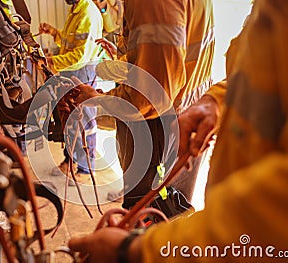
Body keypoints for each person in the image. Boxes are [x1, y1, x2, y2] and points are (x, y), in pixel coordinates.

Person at [68, 0, 288, 262]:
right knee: (169, 209)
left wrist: (134, 251)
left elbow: (150, 95)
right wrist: (216, 99)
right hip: (185, 123)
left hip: (158, 132)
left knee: (150, 214)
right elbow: (262, 69)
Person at [74, 0, 214, 208]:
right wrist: (128, 57)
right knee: (172, 213)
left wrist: (96, 98)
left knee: (150, 218)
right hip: (184, 115)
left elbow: (150, 96)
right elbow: (169, 59)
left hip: (160, 127)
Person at [38, 0, 103, 181]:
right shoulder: (77, 9)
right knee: (69, 119)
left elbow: (80, 55)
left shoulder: (87, 13)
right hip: (72, 71)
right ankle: (71, 160)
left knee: (83, 121)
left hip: (82, 71)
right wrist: (54, 33)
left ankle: (85, 168)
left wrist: (50, 62)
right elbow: (70, 43)